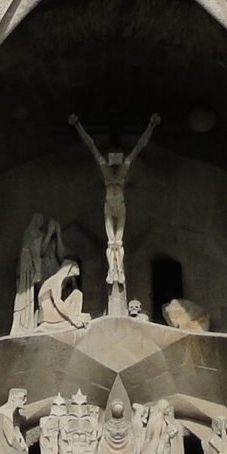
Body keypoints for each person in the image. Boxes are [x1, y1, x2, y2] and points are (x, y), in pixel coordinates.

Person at [69, 113, 159, 312]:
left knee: (118, 243)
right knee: (113, 243)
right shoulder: (106, 172)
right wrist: (77, 125)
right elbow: (91, 146)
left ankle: (118, 272)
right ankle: (113, 272)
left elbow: (138, 148)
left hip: (119, 207)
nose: (115, 161)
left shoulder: (124, 171)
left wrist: (151, 126)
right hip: (110, 207)